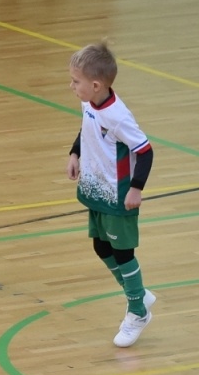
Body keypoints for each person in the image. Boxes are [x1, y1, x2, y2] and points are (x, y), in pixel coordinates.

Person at [66, 42, 156, 348]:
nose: (71, 86)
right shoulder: (89, 102)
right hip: (96, 189)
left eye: (76, 82)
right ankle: (138, 292)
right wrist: (75, 153)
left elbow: (144, 152)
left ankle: (138, 311)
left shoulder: (118, 116)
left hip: (118, 195)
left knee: (122, 253)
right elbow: (86, 129)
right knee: (100, 246)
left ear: (95, 85)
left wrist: (136, 188)